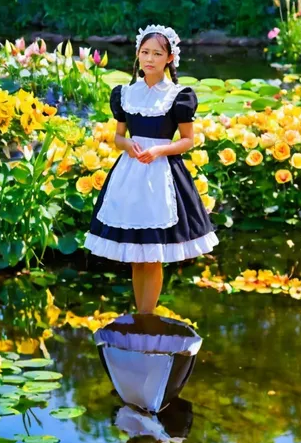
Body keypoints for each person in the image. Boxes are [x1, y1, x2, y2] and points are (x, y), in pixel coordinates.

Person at [84, 24, 219, 313]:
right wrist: (126, 145)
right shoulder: (124, 93)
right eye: (145, 52)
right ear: (137, 55)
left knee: (153, 255)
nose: (150, 59)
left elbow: (188, 141)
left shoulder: (178, 95)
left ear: (170, 58)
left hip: (162, 175)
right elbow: (118, 137)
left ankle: (147, 317)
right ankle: (141, 318)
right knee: (136, 254)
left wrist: (158, 149)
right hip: (130, 175)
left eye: (157, 53)